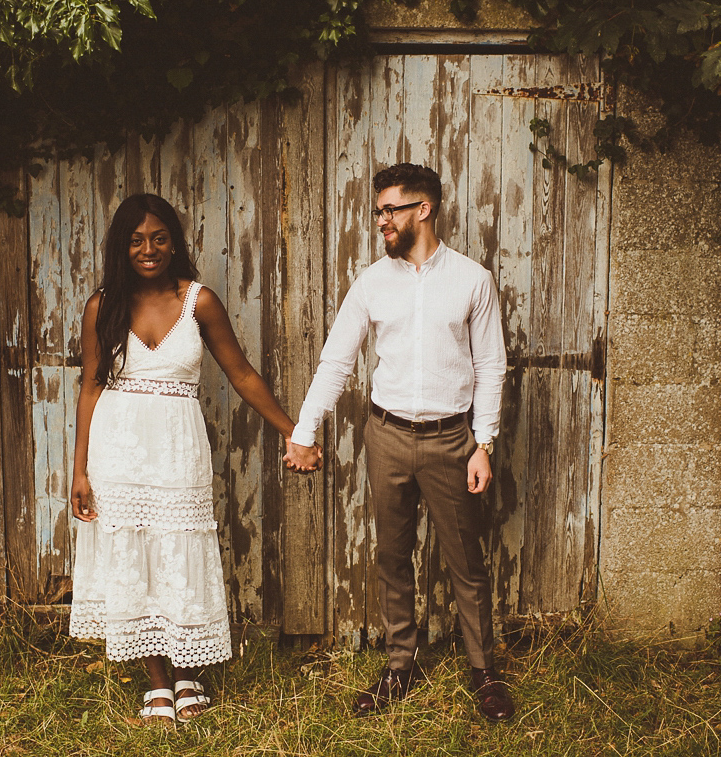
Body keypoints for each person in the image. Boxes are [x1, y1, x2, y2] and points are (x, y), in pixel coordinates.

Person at [68, 193, 321, 725]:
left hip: (178, 450)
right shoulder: (103, 304)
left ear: (174, 242)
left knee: (175, 556)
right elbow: (90, 387)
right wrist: (80, 469)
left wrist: (294, 431)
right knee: (134, 558)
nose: (148, 249)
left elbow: (243, 375)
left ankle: (187, 673)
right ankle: (159, 680)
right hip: (119, 451)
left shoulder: (198, 301)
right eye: (136, 240)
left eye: (159, 237)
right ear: (122, 246)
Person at [284, 163, 513, 722]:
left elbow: (491, 365)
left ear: (424, 209)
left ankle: (483, 673)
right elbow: (336, 361)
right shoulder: (371, 282)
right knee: (392, 555)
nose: (382, 220)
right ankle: (399, 665)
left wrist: (483, 443)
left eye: (392, 209)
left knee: (466, 560)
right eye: (379, 210)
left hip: (451, 440)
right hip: (385, 434)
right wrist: (305, 430)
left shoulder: (471, 280)